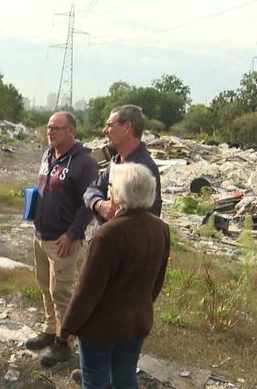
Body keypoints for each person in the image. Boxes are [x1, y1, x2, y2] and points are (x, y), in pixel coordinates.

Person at [60, 162, 171, 389]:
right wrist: (142, 306)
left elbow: (87, 290)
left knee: (94, 380)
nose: (109, 189)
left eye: (111, 185)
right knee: (125, 378)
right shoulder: (160, 228)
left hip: (102, 327)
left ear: (119, 192)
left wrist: (68, 326)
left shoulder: (108, 234)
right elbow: (157, 281)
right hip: (136, 322)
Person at [26, 111, 99, 367]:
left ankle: (63, 342)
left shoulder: (84, 163)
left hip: (63, 240)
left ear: (71, 131)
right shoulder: (48, 155)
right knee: (45, 285)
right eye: (49, 127)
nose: (51, 131)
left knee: (62, 291)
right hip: (41, 235)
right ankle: (49, 329)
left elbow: (88, 204)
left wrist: (72, 234)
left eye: (57, 128)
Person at [84, 104, 162, 223]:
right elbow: (93, 188)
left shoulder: (145, 169)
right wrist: (99, 205)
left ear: (126, 127)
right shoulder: (116, 162)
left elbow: (150, 216)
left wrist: (120, 217)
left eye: (109, 125)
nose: (104, 131)